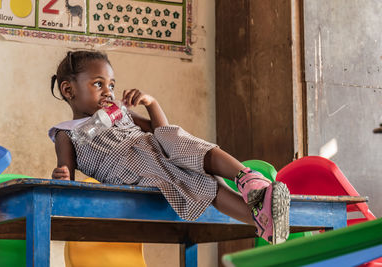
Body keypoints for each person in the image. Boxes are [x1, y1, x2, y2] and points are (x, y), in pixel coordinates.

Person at [48, 50, 290, 244]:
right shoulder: (67, 132)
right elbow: (66, 174)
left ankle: (247, 180)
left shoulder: (119, 114)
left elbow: (159, 130)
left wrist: (151, 103)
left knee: (179, 140)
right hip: (133, 171)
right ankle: (258, 218)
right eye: (98, 84)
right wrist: (62, 174)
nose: (108, 92)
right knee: (206, 184)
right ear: (69, 90)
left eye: (111, 85)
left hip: (155, 149)